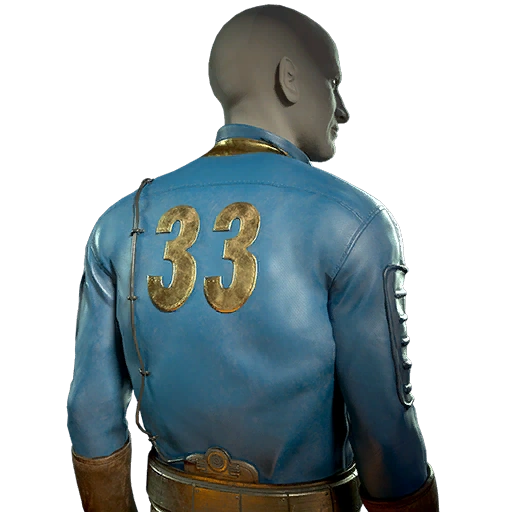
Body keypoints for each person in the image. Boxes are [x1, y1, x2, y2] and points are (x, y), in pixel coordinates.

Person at [66, 5, 438, 511]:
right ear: (289, 79)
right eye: (333, 84)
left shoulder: (119, 222)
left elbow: (91, 411)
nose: (342, 110)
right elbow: (386, 436)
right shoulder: (353, 221)